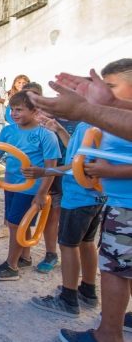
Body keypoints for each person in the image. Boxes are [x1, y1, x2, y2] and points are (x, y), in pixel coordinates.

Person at [58, 58, 132, 342]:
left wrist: (109, 171)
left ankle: (107, 334)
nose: (104, 91)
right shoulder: (110, 115)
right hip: (115, 201)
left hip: (124, 206)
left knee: (114, 271)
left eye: (111, 86)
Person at [23, 120, 103, 318]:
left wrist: (46, 171)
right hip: (94, 197)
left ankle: (68, 299)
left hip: (78, 197)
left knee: (69, 245)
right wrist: (60, 130)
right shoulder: (88, 123)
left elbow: (83, 165)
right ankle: (88, 291)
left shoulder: (89, 125)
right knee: (86, 242)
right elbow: (77, 154)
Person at [0, 91, 61, 281]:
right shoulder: (9, 130)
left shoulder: (46, 135)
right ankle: (25, 257)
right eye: (12, 109)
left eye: (19, 110)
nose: (14, 113)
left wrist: (42, 193)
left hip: (31, 188)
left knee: (15, 224)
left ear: (34, 111)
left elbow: (51, 168)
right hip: (11, 185)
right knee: (17, 222)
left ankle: (11, 266)